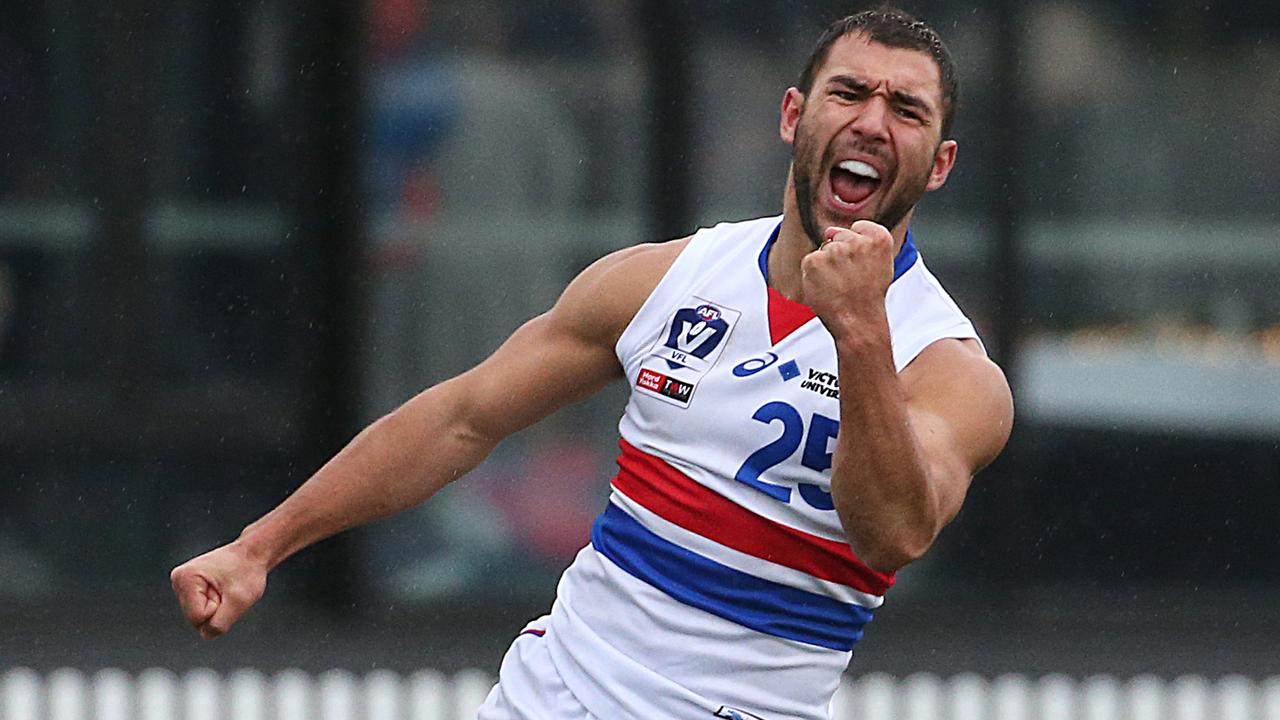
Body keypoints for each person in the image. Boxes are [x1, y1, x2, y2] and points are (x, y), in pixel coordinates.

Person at [171, 8, 1013, 719]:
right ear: (794, 116)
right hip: (553, 696)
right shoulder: (664, 279)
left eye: (906, 108)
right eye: (849, 92)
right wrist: (259, 548)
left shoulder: (952, 370)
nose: (871, 120)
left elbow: (895, 531)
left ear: (938, 164)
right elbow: (463, 418)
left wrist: (858, 331)